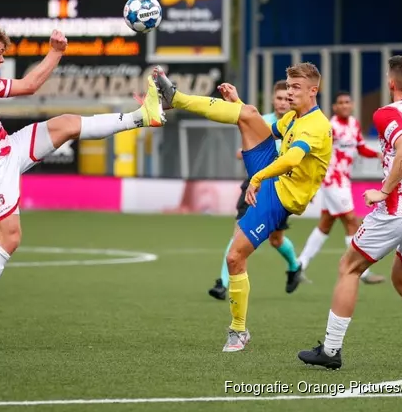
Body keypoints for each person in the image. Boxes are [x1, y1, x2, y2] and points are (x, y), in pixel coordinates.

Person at [0, 22, 165, 354]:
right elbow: (30, 85)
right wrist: (56, 52)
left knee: (65, 124)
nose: (2, 61)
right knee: (10, 237)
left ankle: (142, 116)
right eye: (1, 53)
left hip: (6, 148)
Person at [297, 55, 402, 373]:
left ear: (392, 82)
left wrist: (384, 191)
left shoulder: (386, 113)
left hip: (398, 209)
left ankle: (331, 350)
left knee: (348, 267)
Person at [152, 63, 332, 352]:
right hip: (273, 176)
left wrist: (257, 178)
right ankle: (176, 99)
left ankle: (238, 331)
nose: (289, 93)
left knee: (235, 257)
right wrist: (236, 106)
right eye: (288, 86)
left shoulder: (317, 125)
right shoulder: (293, 118)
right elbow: (260, 126)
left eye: (296, 88)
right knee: (247, 113)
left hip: (281, 197)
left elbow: (292, 160)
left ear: (314, 91)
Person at [208, 80, 301, 300]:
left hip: (281, 188)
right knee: (239, 231)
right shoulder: (262, 121)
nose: (282, 103)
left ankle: (295, 267)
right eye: (278, 98)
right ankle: (223, 282)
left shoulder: (296, 126)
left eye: (285, 99)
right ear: (272, 100)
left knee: (276, 240)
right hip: (254, 184)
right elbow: (243, 146)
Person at [297, 91, 385, 284]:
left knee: (325, 224)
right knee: (352, 221)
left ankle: (299, 265)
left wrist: (377, 155)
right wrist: (311, 182)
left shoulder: (354, 123)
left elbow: (360, 147)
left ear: (351, 105)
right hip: (331, 180)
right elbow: (316, 153)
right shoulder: (330, 127)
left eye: (347, 102)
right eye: (341, 103)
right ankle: (360, 271)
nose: (345, 105)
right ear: (335, 107)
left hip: (344, 180)